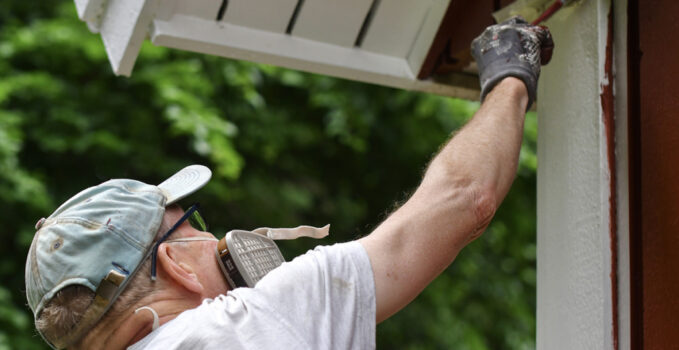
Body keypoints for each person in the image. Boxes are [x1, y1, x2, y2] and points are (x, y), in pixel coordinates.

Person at [25, 18, 553, 349]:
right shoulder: (253, 318)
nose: (215, 240)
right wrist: (509, 73)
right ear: (175, 264)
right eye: (194, 225)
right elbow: (466, 198)